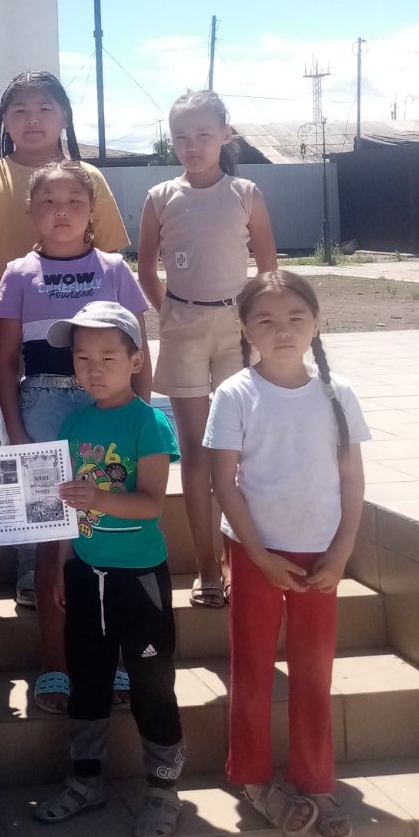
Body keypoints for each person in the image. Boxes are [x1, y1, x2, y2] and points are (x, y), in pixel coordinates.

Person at [206, 271, 368, 837]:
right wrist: (258, 555)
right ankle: (252, 778)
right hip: (256, 553)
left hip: (321, 554)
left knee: (314, 672)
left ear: (316, 324)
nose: (282, 331)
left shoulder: (337, 393)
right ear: (245, 329)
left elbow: (352, 479)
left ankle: (316, 779)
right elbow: (224, 482)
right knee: (252, 670)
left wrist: (341, 552)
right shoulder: (235, 393)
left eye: (296, 318)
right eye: (267, 321)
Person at [0, 162, 151, 714]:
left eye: (74, 201)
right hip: (43, 407)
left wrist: (140, 419)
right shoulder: (17, 273)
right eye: (49, 201)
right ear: (31, 211)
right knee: (54, 540)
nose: (61, 211)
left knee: (113, 531)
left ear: (92, 210)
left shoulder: (115, 268)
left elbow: (139, 352)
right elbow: (5, 360)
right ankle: (55, 664)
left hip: (110, 408)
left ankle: (120, 659)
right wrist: (16, 432)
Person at [0, 71, 128, 608]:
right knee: (22, 458)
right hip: (12, 347)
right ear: (4, 122)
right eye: (19, 110)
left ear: (64, 117)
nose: (32, 119)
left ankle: (90, 564)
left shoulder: (89, 178)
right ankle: (32, 572)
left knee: (93, 462)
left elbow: (113, 263)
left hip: (93, 358)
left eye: (44, 109)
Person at [31, 303, 185, 837]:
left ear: (136, 361)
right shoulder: (75, 422)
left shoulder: (149, 422)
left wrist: (96, 497)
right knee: (89, 681)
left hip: (139, 580)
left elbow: (151, 503)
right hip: (85, 573)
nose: (93, 368)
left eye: (107, 357)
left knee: (152, 686)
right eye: (81, 357)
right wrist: (61, 565)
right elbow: (65, 507)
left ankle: (163, 789)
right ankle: (85, 780)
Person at [137, 91, 278, 608]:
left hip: (237, 329)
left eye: (203, 134)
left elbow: (269, 271)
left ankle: (248, 556)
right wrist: (171, 312)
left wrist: (256, 324)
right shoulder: (159, 196)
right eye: (181, 136)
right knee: (195, 451)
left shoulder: (246, 193)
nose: (192, 146)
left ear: (225, 134)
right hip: (184, 328)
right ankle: (206, 564)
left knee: (240, 449)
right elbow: (145, 267)